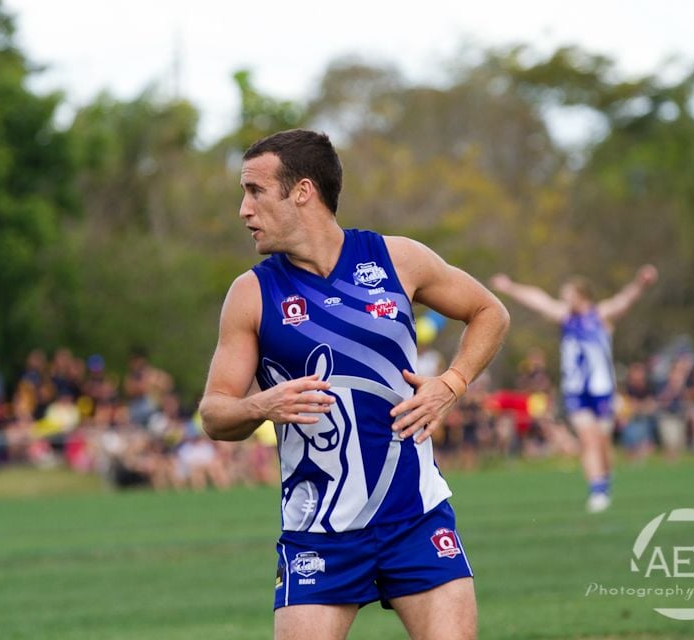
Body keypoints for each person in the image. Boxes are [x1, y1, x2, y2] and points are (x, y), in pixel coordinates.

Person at [199, 129, 510, 640]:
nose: (243, 209)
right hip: (317, 533)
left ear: (302, 191)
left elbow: (488, 312)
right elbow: (214, 413)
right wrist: (262, 404)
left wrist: (452, 383)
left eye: (255, 191)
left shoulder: (398, 259)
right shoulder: (251, 294)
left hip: (417, 516)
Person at [489, 265, 658, 512]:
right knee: (588, 440)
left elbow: (624, 300)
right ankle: (597, 490)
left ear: (581, 294)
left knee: (602, 442)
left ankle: (605, 481)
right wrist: (510, 287)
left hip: (601, 390)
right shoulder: (565, 317)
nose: (563, 297)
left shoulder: (600, 315)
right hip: (576, 390)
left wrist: (640, 283)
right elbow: (538, 300)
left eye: (567, 293)